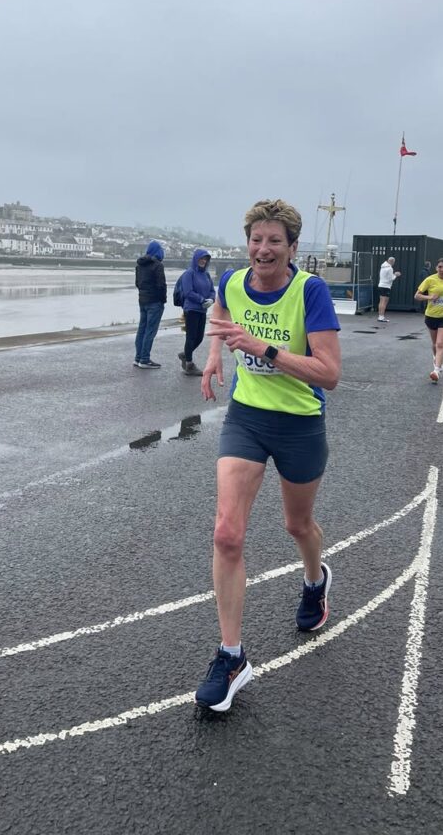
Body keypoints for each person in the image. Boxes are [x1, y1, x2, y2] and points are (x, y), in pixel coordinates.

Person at [194, 199, 341, 712]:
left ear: (292, 247)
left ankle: (315, 581)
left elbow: (329, 374)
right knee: (226, 532)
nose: (263, 249)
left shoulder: (310, 291)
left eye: (275, 240)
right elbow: (221, 308)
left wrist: (264, 349)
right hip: (247, 418)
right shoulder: (233, 282)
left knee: (297, 526)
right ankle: (231, 656)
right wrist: (215, 353)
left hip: (300, 423)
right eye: (257, 239)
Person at [176, 248, 216, 376]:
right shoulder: (189, 273)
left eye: (206, 259)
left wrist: (211, 299)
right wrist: (202, 300)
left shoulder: (207, 275)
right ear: (196, 259)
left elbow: (212, 290)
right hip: (191, 309)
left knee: (199, 337)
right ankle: (189, 364)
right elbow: (188, 292)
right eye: (201, 258)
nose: (203, 261)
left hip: (202, 310)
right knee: (191, 336)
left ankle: (185, 354)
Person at [134, 240, 167, 369]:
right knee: (150, 330)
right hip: (155, 302)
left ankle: (138, 358)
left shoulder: (139, 265)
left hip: (142, 300)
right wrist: (163, 300)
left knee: (142, 329)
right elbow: (161, 285)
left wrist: (143, 293)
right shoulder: (157, 265)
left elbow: (137, 283)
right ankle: (145, 359)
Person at [377, 257, 401, 322]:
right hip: (386, 286)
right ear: (392, 261)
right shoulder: (390, 268)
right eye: (394, 262)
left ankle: (380, 316)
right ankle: (381, 317)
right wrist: (396, 275)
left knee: (381, 301)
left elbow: (386, 277)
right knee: (384, 302)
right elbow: (391, 278)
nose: (394, 263)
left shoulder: (383, 267)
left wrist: (393, 275)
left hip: (381, 285)